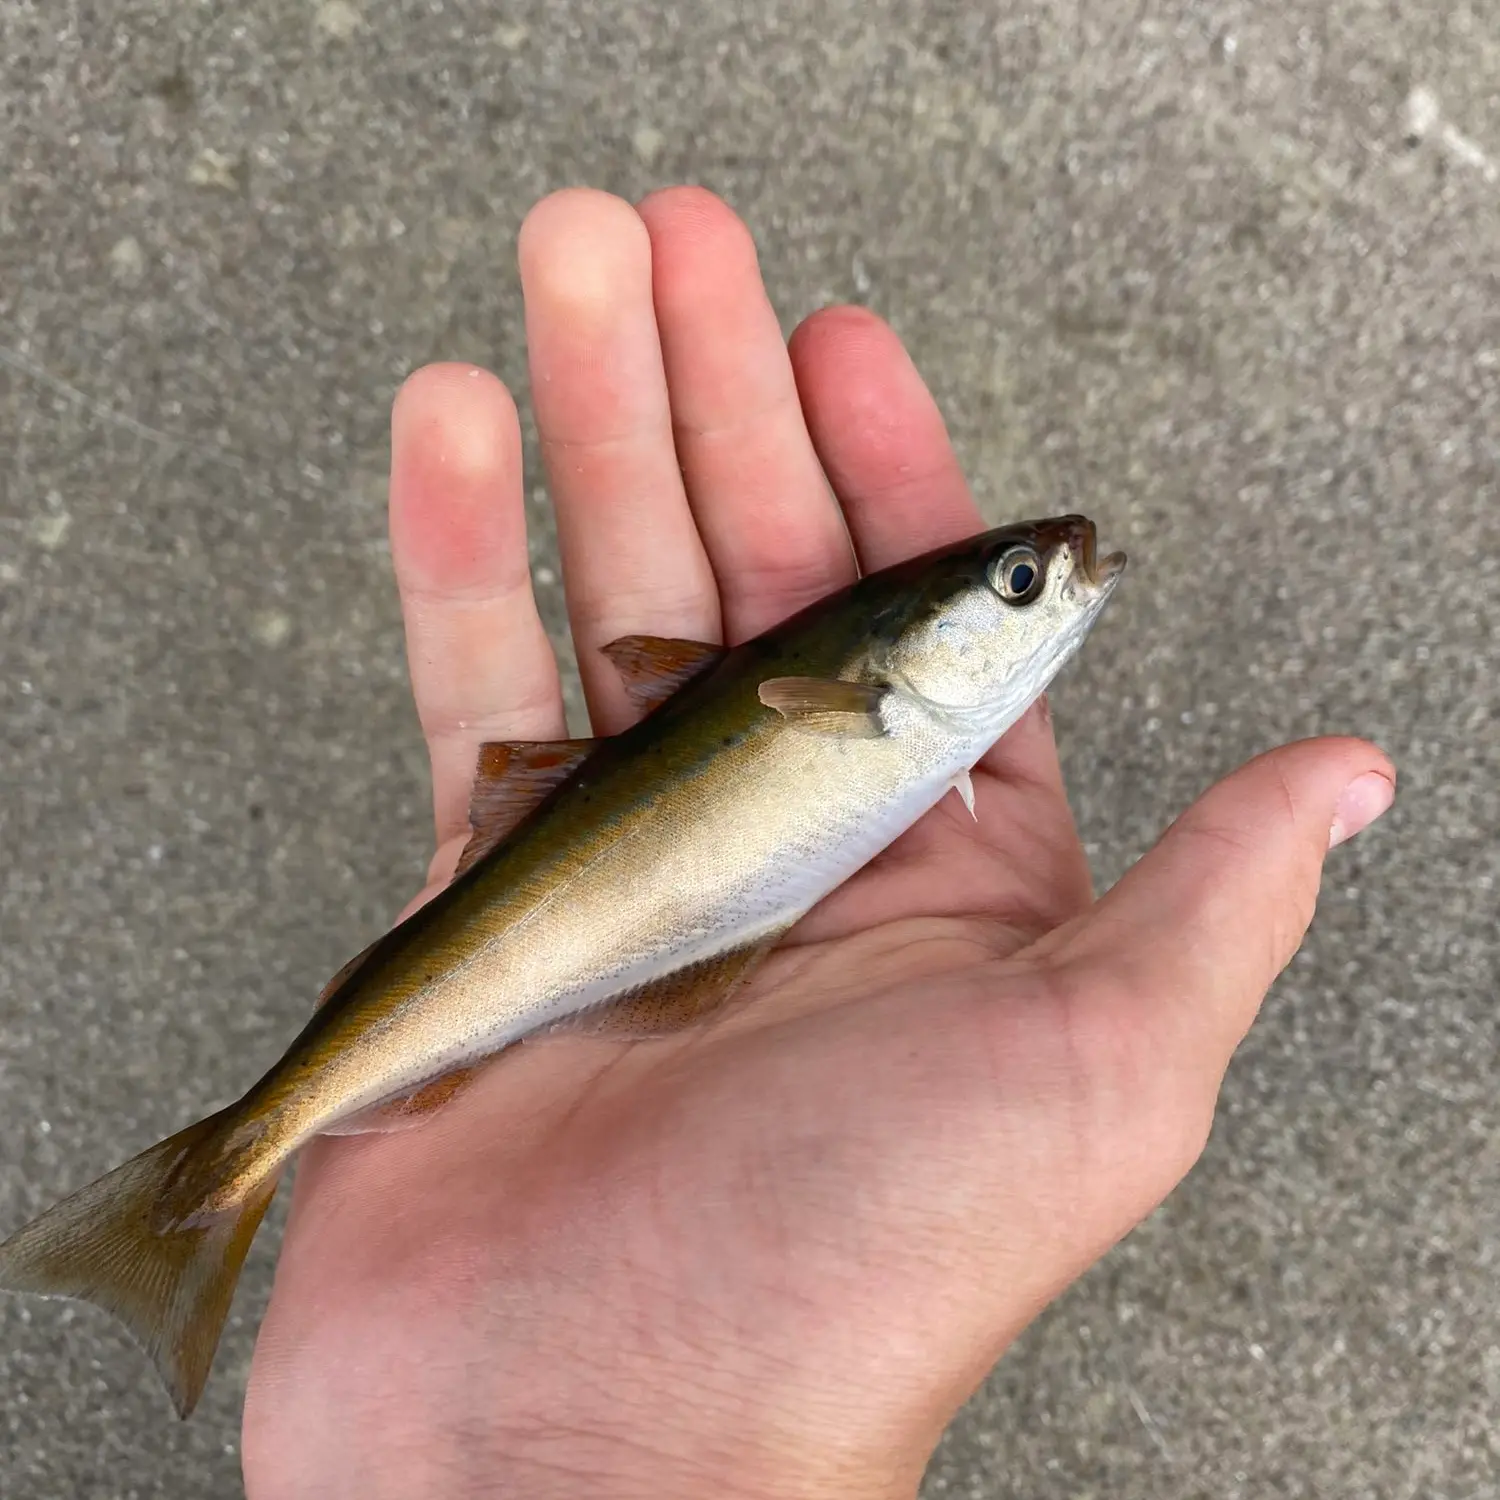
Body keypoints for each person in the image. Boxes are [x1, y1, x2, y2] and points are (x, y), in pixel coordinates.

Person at [240, 186, 1394, 1498]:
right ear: (900, 662)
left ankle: (236, 1155)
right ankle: (225, 1164)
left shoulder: (888, 703)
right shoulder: (869, 700)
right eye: (1018, 582)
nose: (1053, 575)